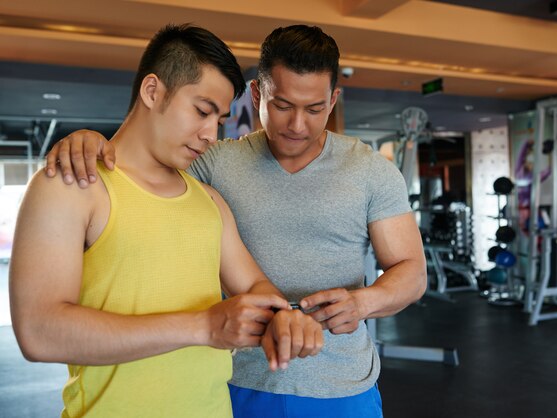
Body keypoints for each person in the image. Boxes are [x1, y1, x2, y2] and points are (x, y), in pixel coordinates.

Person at [45, 24, 427, 418]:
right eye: (282, 105)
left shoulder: (369, 170)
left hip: (341, 384)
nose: (298, 125)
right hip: (233, 381)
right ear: (258, 94)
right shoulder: (213, 162)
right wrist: (91, 143)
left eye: (314, 109)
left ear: (333, 100)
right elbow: (142, 165)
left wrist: (361, 304)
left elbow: (412, 273)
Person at [10, 24, 323, 418]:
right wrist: (203, 327)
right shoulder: (72, 185)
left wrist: (286, 321)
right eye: (202, 111)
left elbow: (257, 288)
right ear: (152, 91)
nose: (211, 134)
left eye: (220, 119)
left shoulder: (209, 201)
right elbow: (40, 333)